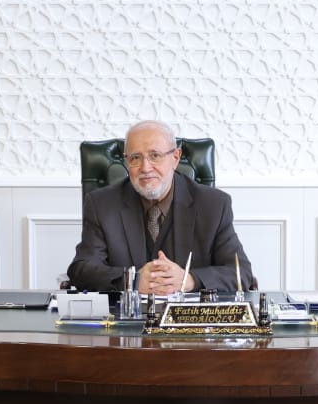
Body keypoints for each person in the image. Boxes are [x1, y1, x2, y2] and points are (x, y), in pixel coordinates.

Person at [66, 120, 255, 295]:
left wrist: (189, 280)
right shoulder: (101, 204)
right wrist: (132, 281)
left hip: (188, 318)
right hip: (127, 317)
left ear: (175, 157)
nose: (145, 168)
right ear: (126, 162)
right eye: (135, 158)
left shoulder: (213, 205)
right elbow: (82, 270)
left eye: (155, 156)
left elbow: (241, 273)